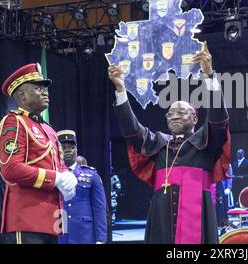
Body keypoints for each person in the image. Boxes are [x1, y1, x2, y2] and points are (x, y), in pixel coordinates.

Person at [108, 42, 231, 244]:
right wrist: (121, 89)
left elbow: (219, 119)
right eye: (170, 114)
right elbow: (131, 130)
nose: (174, 117)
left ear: (194, 119)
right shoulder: (158, 144)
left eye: (181, 113)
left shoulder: (205, 143)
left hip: (197, 217)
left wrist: (209, 76)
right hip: (161, 217)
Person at [0, 63, 77, 244]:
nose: (45, 92)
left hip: (53, 220)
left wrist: (68, 177)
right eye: (38, 88)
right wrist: (54, 178)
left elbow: (59, 165)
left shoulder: (49, 129)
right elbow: (10, 169)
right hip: (27, 219)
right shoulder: (14, 122)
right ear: (22, 95)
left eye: (45, 88)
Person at [57, 130, 107, 244]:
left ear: (77, 149)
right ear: (58, 150)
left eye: (71, 146)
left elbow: (99, 208)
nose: (68, 150)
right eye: (64, 147)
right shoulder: (52, 174)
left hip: (84, 234)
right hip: (58, 232)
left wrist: (101, 238)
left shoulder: (91, 175)